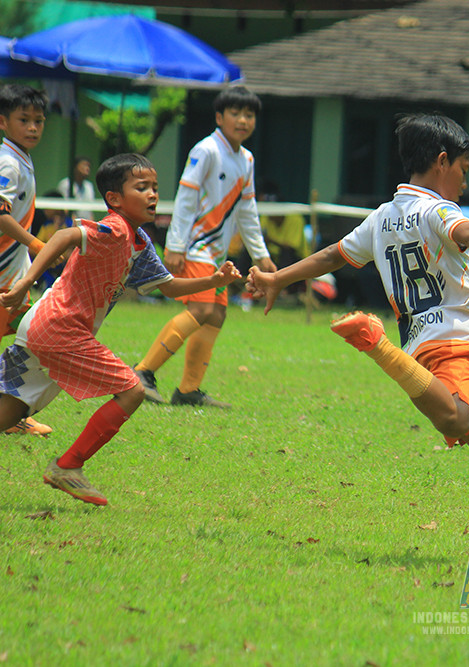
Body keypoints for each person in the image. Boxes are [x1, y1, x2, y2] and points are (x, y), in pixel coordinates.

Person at [247, 113, 469, 568]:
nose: (463, 182)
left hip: (421, 346)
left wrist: (278, 278)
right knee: (459, 419)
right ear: (442, 161)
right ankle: (376, 343)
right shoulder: (438, 210)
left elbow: (332, 254)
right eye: (462, 170)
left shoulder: (382, 218)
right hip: (457, 339)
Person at [0, 153, 240, 505]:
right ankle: (68, 466)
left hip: (44, 325)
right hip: (61, 328)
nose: (153, 195)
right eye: (142, 188)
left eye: (155, 188)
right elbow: (67, 235)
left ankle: (67, 465)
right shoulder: (115, 228)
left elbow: (170, 287)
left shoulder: (139, 242)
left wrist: (215, 279)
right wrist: (25, 283)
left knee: (13, 406)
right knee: (133, 391)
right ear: (114, 198)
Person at [132, 86, 276, 408]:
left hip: (217, 254)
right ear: (219, 117)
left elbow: (247, 210)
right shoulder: (207, 150)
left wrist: (261, 254)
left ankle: (188, 390)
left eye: (249, 114)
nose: (243, 120)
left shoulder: (247, 159)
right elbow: (186, 197)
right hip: (195, 246)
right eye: (236, 113)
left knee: (217, 314)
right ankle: (142, 372)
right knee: (200, 310)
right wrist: (176, 244)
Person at [0, 84, 53, 436]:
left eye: (38, 120)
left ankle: (13, 410)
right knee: (35, 337)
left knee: (33, 337)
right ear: (3, 121)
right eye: (24, 120)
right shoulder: (7, 162)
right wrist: (37, 244)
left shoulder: (20, 157)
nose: (33, 127)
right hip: (3, 276)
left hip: (12, 273)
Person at [56, 156, 96, 222]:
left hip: (86, 225)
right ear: (75, 167)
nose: (87, 168)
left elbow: (90, 209)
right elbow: (64, 208)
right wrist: (75, 224)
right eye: (84, 165)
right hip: (71, 224)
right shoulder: (66, 184)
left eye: (89, 166)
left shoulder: (89, 186)